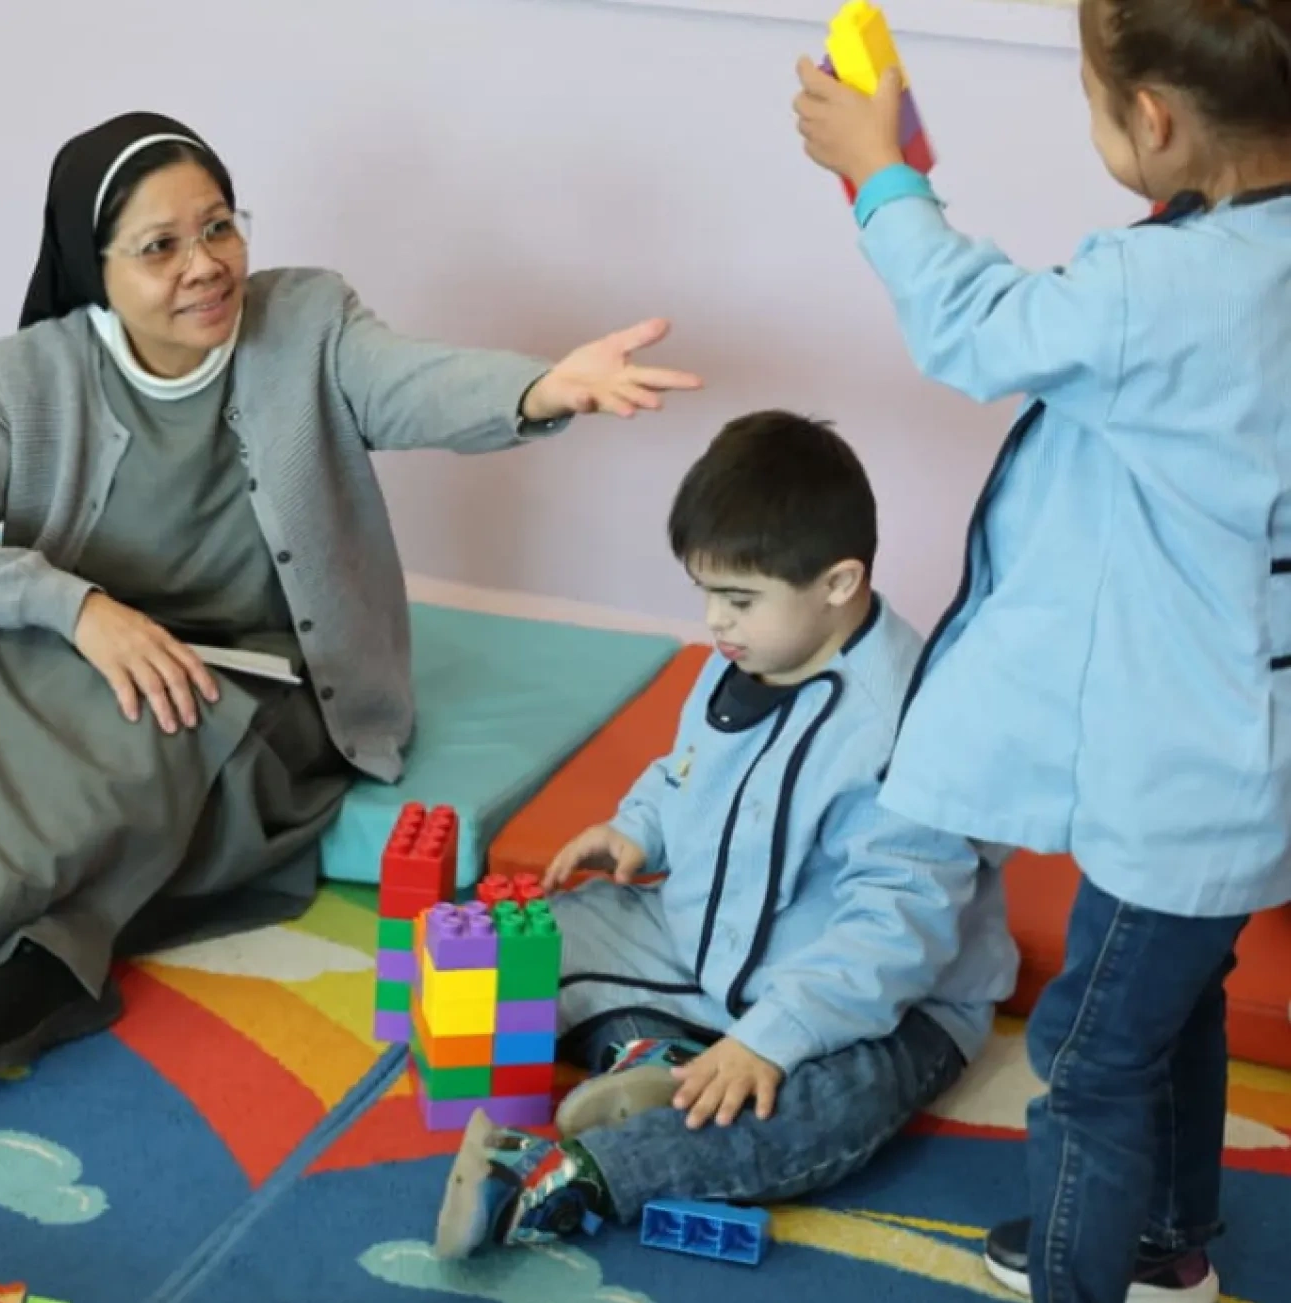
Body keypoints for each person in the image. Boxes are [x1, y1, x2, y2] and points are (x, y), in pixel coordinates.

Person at [0, 111, 704, 1101]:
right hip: (99, 673)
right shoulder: (39, 379)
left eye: (219, 226)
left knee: (160, 710)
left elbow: (412, 382)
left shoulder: (308, 325)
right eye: (160, 246)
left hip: (255, 712)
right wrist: (79, 609)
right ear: (92, 267)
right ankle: (45, 966)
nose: (205, 264)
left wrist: (541, 389)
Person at [793, 0, 1291, 1303]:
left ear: (1151, 120)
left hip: (1184, 776)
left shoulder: (1161, 291)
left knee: (1082, 1063)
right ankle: (1165, 1243)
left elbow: (971, 327)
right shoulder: (1242, 256)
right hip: (1244, 756)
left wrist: (882, 173)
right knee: (1168, 1006)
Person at [431, 410, 1018, 1259]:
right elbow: (685, 771)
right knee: (520, 953)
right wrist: (636, 830)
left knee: (830, 1106)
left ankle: (574, 1171)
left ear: (840, 583)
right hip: (704, 938)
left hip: (877, 1000)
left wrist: (772, 1042)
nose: (715, 621)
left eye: (738, 599)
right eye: (706, 593)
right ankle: (650, 1051)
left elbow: (896, 932)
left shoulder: (916, 726)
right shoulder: (741, 656)